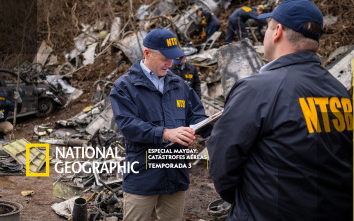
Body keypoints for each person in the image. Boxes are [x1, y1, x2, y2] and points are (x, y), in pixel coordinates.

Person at [207, 0, 353, 220]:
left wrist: (246, 199)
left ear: (277, 32)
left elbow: (222, 164)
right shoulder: (340, 92)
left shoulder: (256, 89)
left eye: (268, 26)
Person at [110, 28, 210, 221]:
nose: (170, 63)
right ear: (147, 53)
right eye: (165, 58)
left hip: (176, 176)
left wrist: (212, 123)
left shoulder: (179, 85)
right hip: (143, 176)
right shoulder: (124, 87)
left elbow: (197, 116)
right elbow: (128, 126)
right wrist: (165, 133)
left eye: (173, 58)